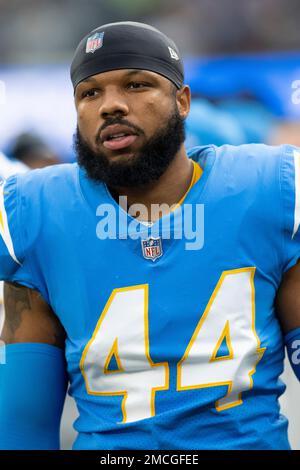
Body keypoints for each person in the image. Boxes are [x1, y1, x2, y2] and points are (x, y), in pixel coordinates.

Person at [0, 21, 299, 450]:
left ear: (182, 101)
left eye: (137, 85)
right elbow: (21, 429)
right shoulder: (37, 212)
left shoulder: (270, 189)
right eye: (90, 93)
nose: (111, 106)